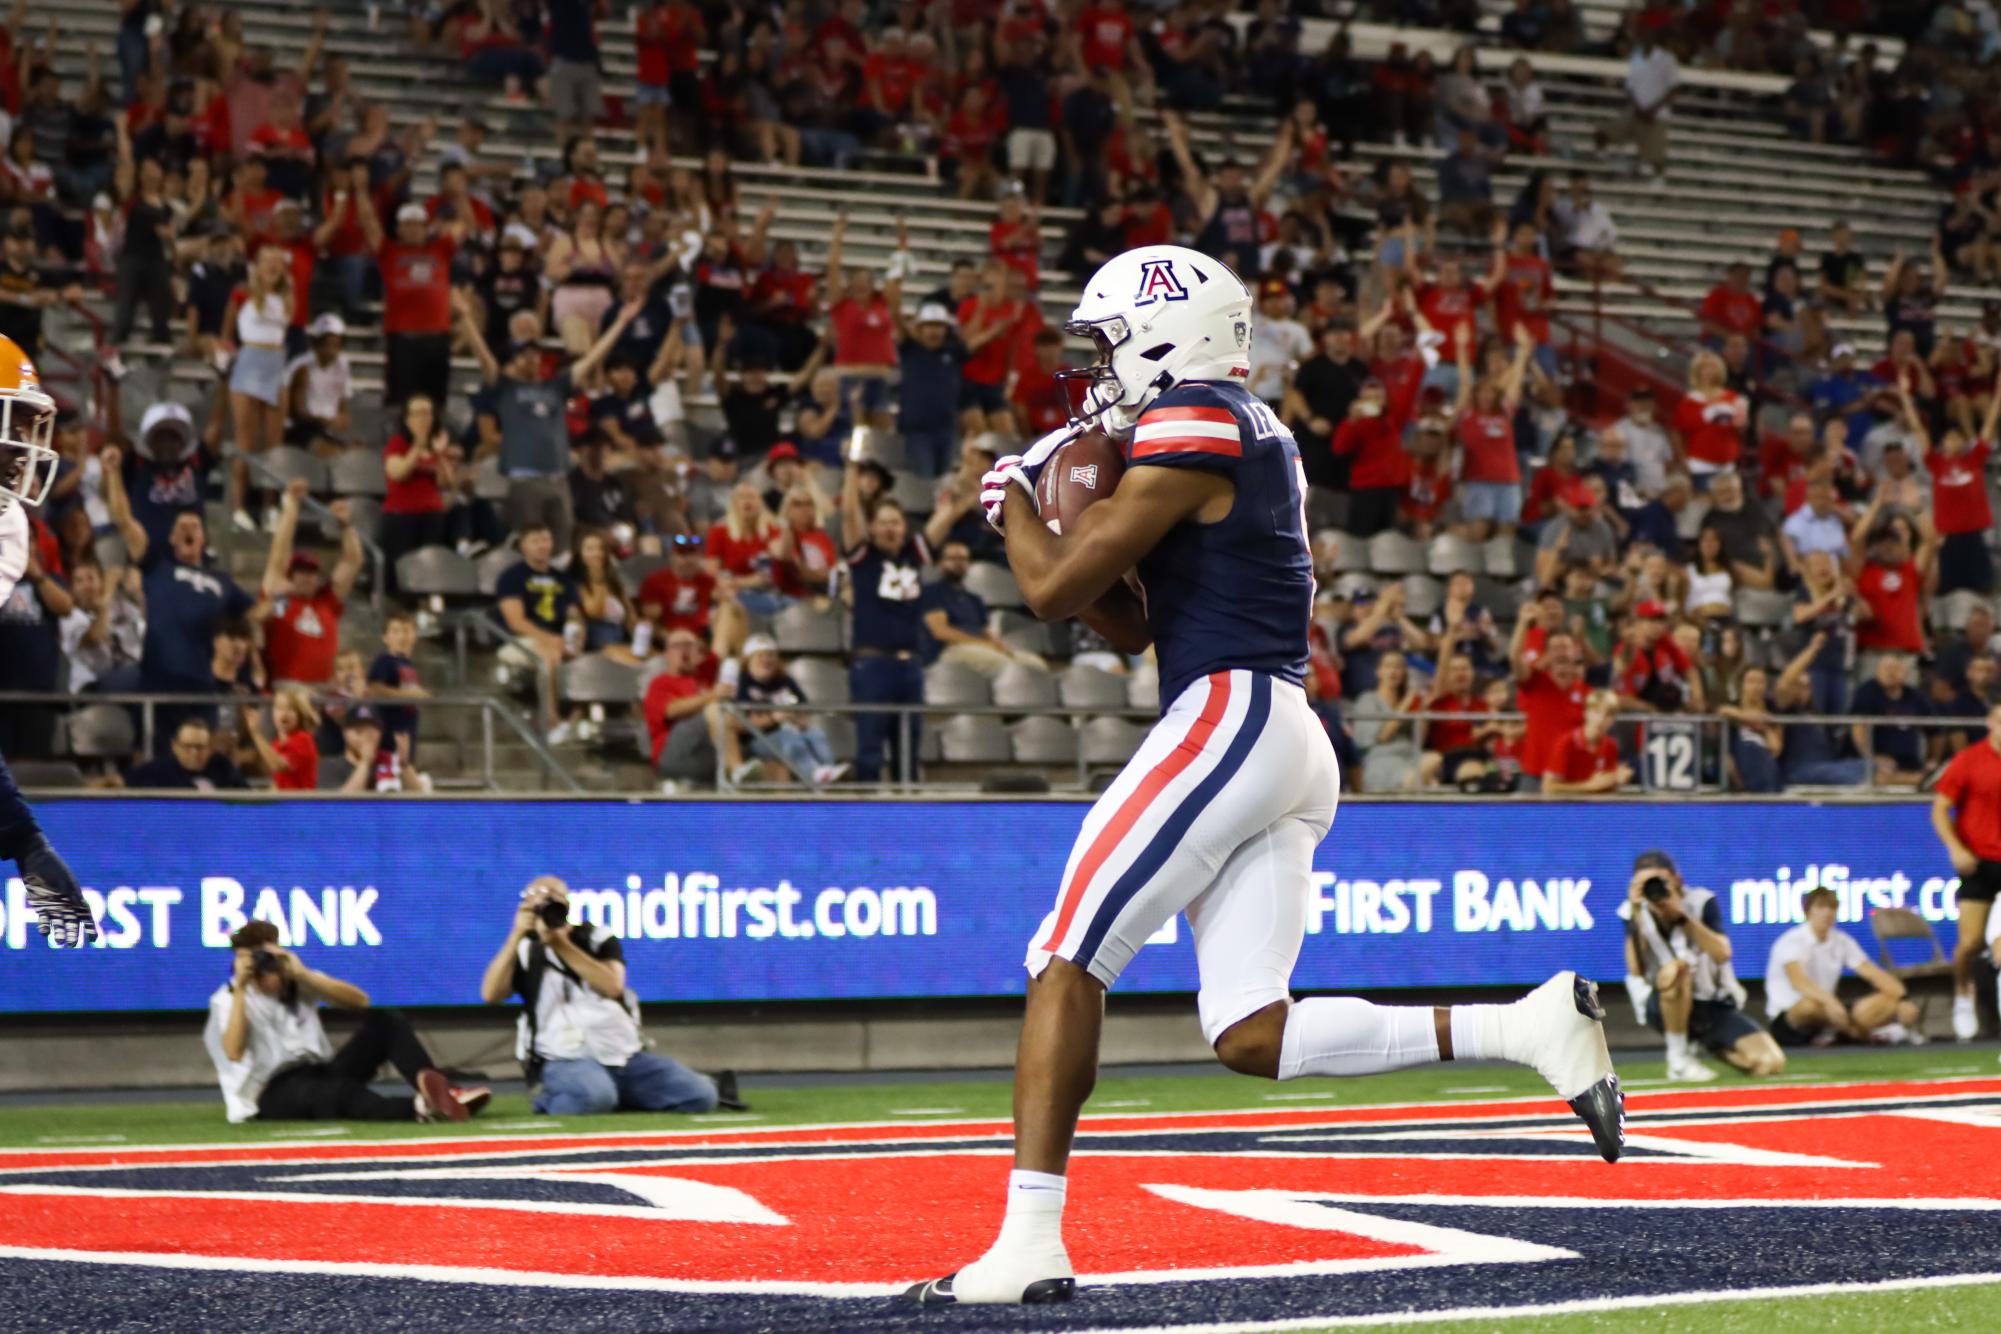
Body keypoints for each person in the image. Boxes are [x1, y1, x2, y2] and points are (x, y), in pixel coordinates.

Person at [908, 244, 1621, 1308]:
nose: (1098, 368)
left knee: (1065, 953)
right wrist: (1035, 522)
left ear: (1164, 331)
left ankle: (1027, 1242)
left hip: (1232, 715)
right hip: (1276, 728)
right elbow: (1133, 617)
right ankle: (1525, 1025)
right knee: (1251, 1030)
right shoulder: (1237, 426)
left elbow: (1054, 590)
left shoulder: (1198, 415)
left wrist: (1011, 501)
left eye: (1106, 343)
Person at [479, 877, 732, 1115]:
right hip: (563, 1057)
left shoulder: (595, 937)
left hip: (623, 1055)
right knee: (595, 1097)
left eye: (553, 897)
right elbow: (491, 994)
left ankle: (613, 1094)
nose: (545, 906)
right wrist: (515, 936)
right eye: (535, 898)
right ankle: (550, 1098)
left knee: (701, 1096)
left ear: (567, 902)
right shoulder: (525, 949)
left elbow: (612, 986)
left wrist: (559, 943)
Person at [205, 919, 484, 1124]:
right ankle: (420, 1108)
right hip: (271, 1092)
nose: (267, 968)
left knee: (385, 1020)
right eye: (260, 960)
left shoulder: (297, 981)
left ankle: (440, 1092)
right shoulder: (228, 998)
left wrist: (303, 975)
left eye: (271, 958)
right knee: (342, 1093)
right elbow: (233, 1051)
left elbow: (360, 1002)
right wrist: (241, 987)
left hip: (319, 1071)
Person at [0, 336, 93, 945]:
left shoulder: (7, 522)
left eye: (35, 424)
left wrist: (23, 838)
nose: (28, 444)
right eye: (16, 419)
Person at [1621, 850, 1783, 1083]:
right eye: (1646, 883)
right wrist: (1637, 914)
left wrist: (1681, 917)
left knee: (1770, 1063)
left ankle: (1709, 1046)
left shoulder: (1700, 901)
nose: (1654, 888)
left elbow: (1722, 953)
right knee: (1678, 969)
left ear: (1677, 880)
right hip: (1662, 1002)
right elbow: (1637, 969)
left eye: (1660, 880)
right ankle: (1678, 1060)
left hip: (1710, 1004)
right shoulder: (1633, 911)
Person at [1765, 888, 1921, 1047]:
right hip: (1789, 1018)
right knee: (1810, 1006)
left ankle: (1852, 1033)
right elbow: (1798, 981)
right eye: (1820, 907)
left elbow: (1873, 972)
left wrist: (1902, 999)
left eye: (1832, 907)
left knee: (1887, 1000)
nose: (1827, 913)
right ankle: (1864, 1034)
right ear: (1808, 912)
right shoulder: (1791, 941)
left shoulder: (1842, 941)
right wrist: (1830, 1002)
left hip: (1830, 1012)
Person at [1931, 702, 2001, 1042]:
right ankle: (1963, 994)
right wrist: (1955, 848)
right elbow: (1940, 808)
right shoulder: (1969, 760)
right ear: (1990, 722)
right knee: (1970, 942)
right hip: (1979, 862)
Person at [1542, 689, 1632, 795]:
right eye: (1597, 712)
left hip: (1595, 809)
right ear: (1586, 713)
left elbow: (1603, 787)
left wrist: (1617, 779)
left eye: (1608, 714)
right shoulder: (1566, 743)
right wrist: (1588, 786)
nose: (1601, 719)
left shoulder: (1610, 745)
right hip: (1567, 808)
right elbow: (1548, 787)